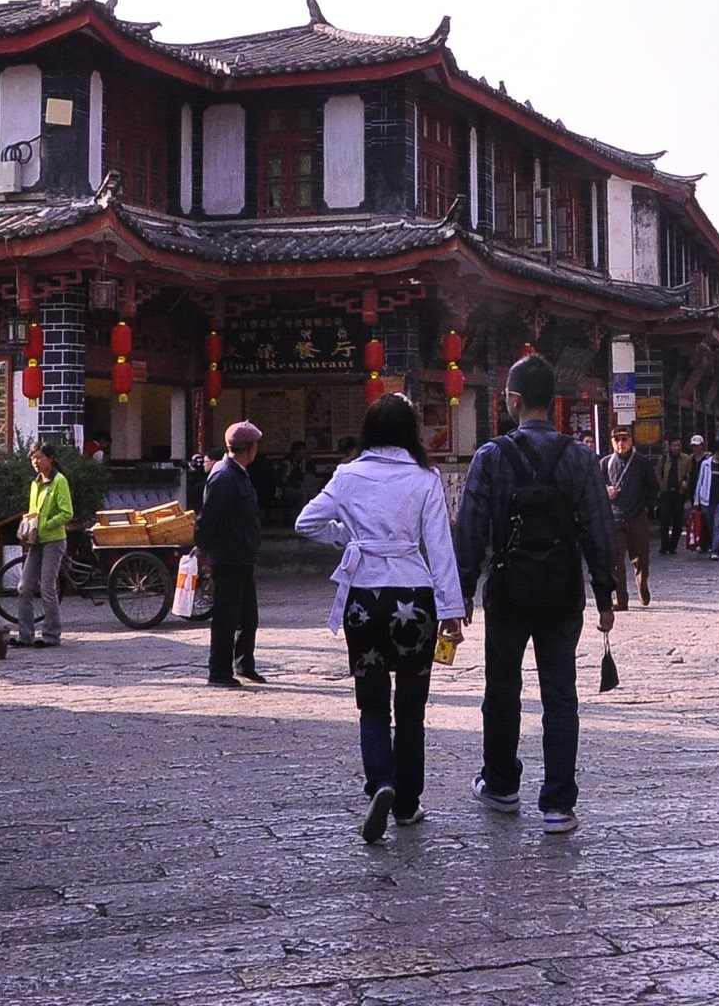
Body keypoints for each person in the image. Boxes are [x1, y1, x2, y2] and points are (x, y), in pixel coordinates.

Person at [454, 353, 618, 834]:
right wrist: (605, 595)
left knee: (502, 688)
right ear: (554, 401)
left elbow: (472, 529)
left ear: (514, 400)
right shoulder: (581, 458)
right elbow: (598, 529)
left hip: (508, 588)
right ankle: (558, 804)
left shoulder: (491, 456)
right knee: (560, 694)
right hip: (563, 590)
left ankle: (502, 785)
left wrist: (462, 590)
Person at [296, 393, 467, 842]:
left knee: (372, 704)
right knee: (411, 710)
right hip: (414, 593)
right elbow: (440, 547)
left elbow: (305, 522)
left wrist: (347, 538)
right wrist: (452, 611)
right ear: (411, 432)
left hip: (364, 599)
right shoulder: (425, 478)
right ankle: (408, 804)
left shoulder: (347, 475)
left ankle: (381, 782)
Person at [200, 420, 268, 686]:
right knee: (226, 617)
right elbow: (209, 517)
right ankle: (218, 672)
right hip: (228, 556)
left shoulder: (237, 472)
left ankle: (244, 664)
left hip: (242, 554)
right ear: (249, 448)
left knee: (247, 616)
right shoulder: (224, 475)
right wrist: (203, 547)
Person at [15, 441, 74, 647]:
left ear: (50, 459)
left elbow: (67, 512)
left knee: (48, 587)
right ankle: (25, 635)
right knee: (23, 587)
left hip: (54, 541)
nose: (35, 461)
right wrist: (29, 528)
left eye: (39, 457)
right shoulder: (35, 483)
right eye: (33, 457)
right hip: (36, 542)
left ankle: (51, 635)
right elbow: (33, 512)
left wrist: (46, 524)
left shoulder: (59, 481)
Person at [600, 425, 660, 608]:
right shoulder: (605, 463)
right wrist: (606, 491)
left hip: (637, 516)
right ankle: (621, 599)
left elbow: (653, 487)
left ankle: (642, 585)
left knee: (641, 557)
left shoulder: (642, 462)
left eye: (624, 439)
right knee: (616, 560)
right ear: (611, 442)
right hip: (614, 517)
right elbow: (594, 487)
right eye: (616, 440)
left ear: (631, 441)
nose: (620, 443)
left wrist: (647, 507)